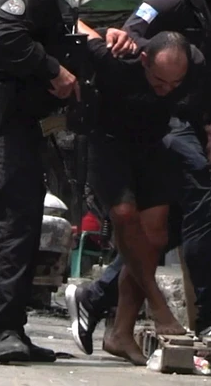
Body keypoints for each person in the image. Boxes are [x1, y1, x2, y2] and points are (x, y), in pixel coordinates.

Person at [66, 0, 211, 351]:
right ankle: (209, 314)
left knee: (160, 229)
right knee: (202, 203)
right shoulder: (167, 0)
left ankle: (102, 304)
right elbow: (128, 38)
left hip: (186, 121)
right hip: (163, 126)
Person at [0, 0, 121, 364]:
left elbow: (64, 31)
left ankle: (10, 326)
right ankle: (1, 331)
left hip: (10, 121)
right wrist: (54, 71)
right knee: (14, 222)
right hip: (0, 121)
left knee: (22, 221)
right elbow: (3, 36)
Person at [82, 29, 198, 365]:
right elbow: (72, 19)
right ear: (145, 61)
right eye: (160, 81)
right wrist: (108, 33)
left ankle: (120, 332)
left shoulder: (190, 69)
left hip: (150, 149)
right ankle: (158, 304)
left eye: (175, 84)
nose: (166, 90)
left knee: (155, 236)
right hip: (109, 146)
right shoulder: (117, 59)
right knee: (124, 215)